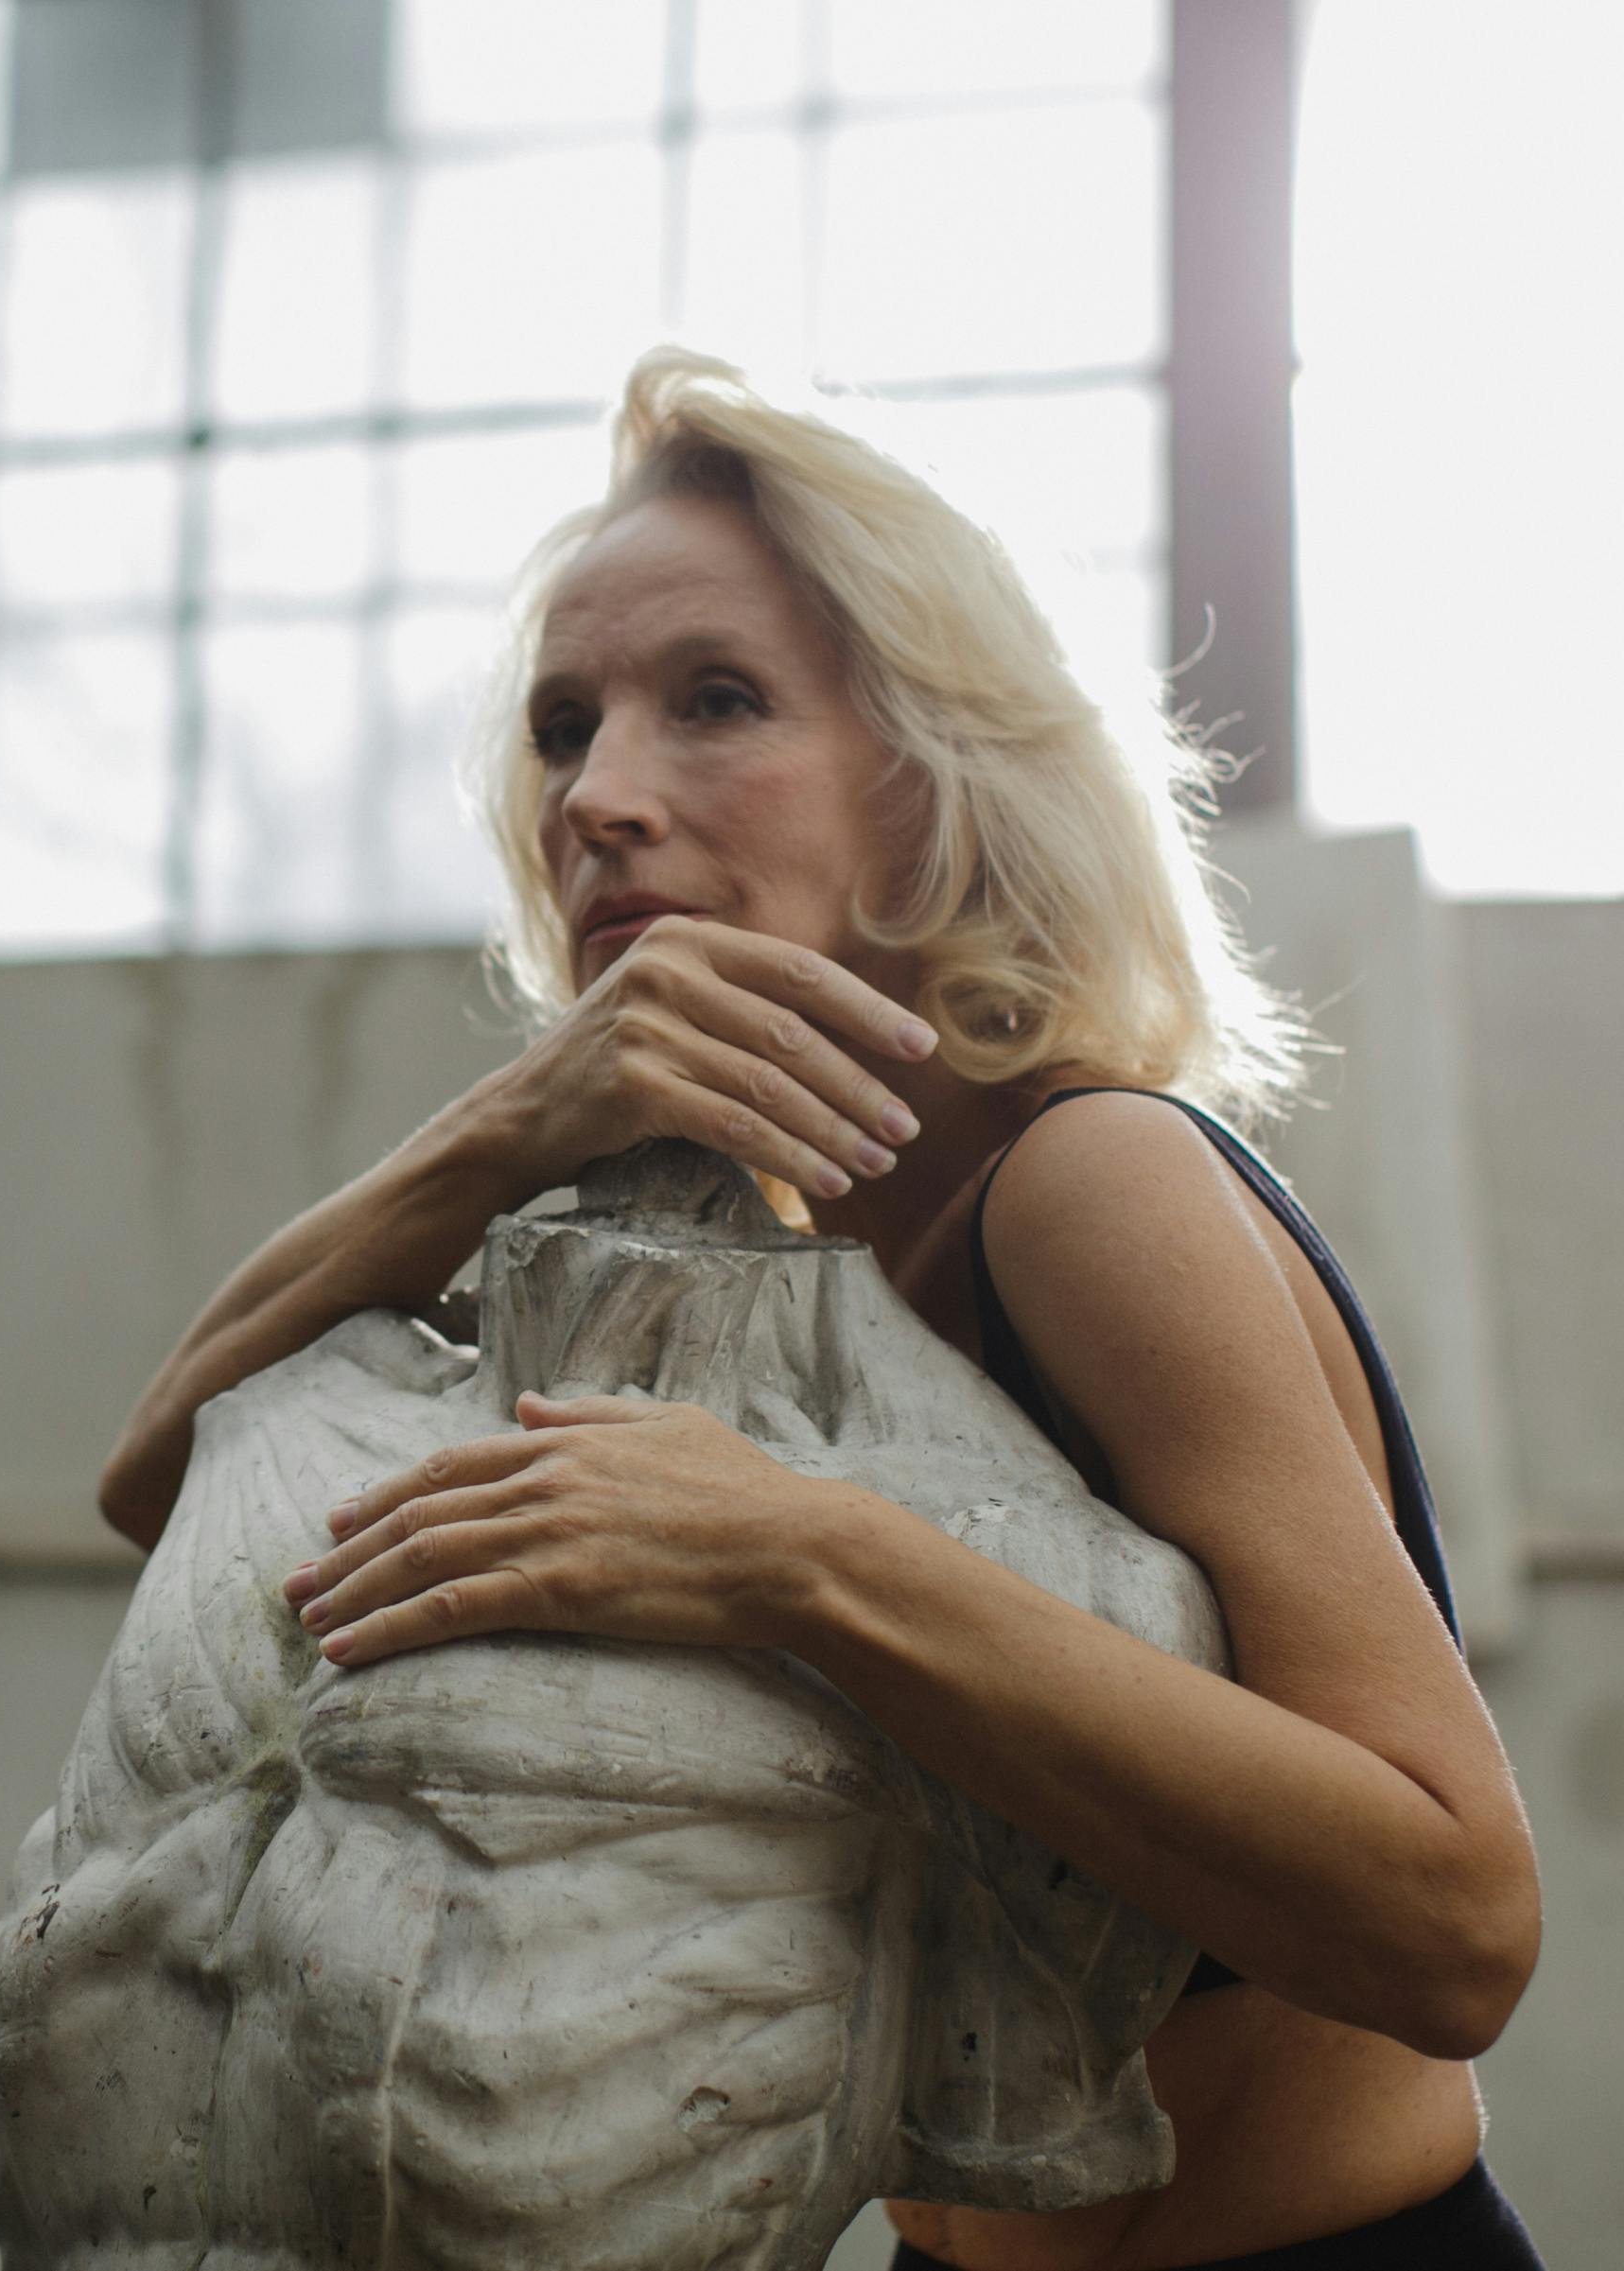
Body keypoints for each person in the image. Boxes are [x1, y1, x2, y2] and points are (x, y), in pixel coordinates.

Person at [96, 347, 1545, 2271]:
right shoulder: (709, 1247)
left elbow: (1454, 1922)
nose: (600, 795)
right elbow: (168, 1484)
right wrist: (504, 1128)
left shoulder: (1083, 1181)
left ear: (928, 775)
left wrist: (791, 1554)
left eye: (714, 702)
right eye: (560, 726)